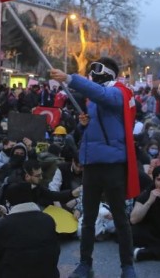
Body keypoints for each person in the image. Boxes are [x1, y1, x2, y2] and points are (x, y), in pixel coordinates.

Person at [50, 57, 139, 278]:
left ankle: (127, 266)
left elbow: (102, 94)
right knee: (88, 219)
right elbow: (91, 133)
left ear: (109, 72)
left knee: (120, 218)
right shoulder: (95, 100)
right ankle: (85, 263)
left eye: (97, 69)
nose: (93, 74)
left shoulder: (118, 93)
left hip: (113, 165)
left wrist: (70, 78)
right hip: (91, 165)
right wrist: (83, 126)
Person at [0, 182, 60, 278]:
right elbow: (56, 249)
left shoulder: (4, 224)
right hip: (49, 274)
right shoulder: (48, 219)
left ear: (8, 202)